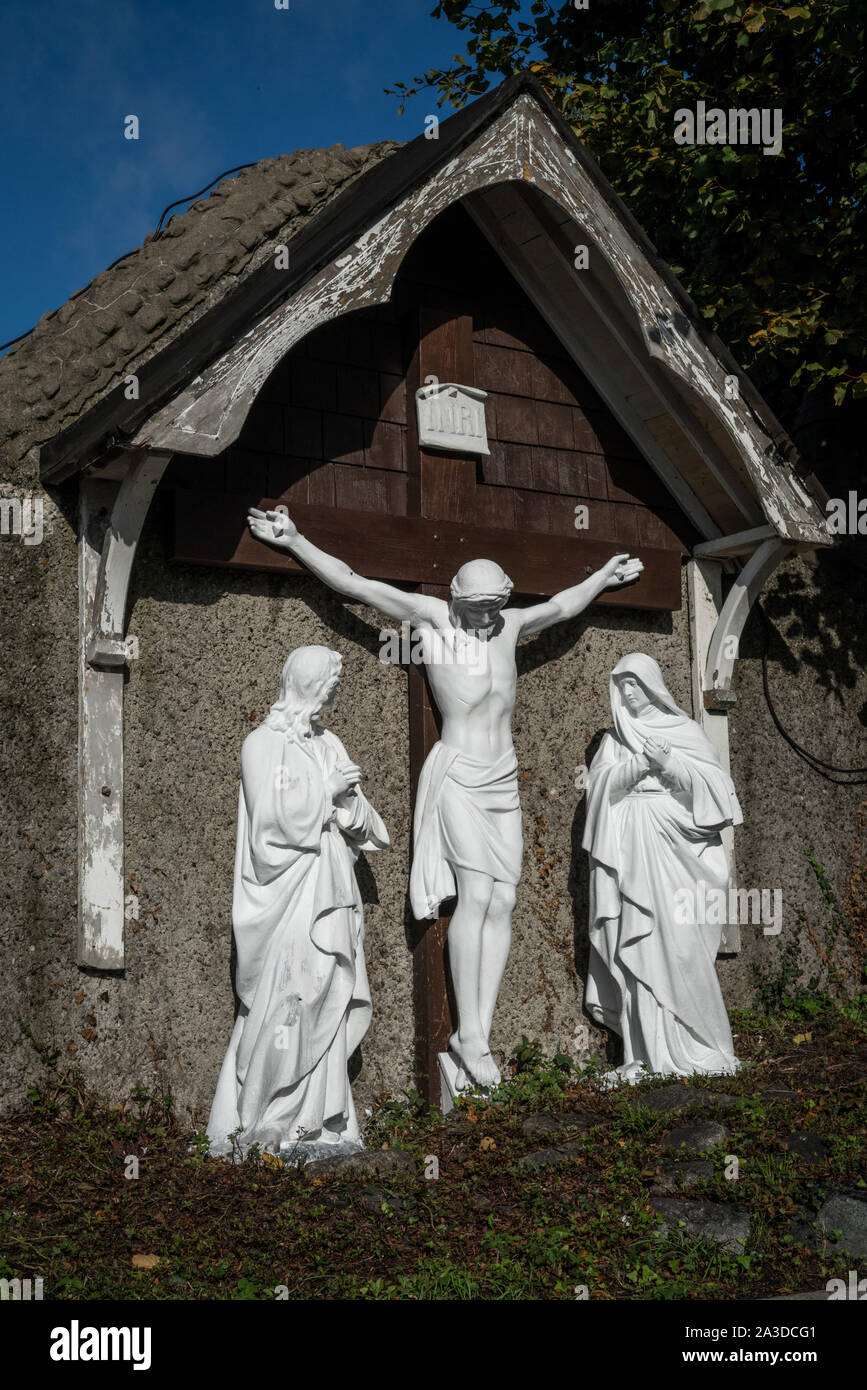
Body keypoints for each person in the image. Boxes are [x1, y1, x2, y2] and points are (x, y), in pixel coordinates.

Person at [247, 505, 642, 1088]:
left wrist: (602, 578)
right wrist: (297, 541)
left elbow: (561, 607)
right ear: (456, 598)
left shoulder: (510, 626)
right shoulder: (432, 621)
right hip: (458, 774)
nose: (486, 620)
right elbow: (356, 584)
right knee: (475, 895)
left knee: (504, 900)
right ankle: (471, 1038)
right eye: (476, 610)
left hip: (502, 774)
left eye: (493, 610)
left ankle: (477, 1029)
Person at [207, 645, 389, 1158]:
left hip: (331, 888)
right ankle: (264, 1117)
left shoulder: (329, 742)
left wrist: (348, 805)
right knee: (292, 999)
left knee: (327, 994)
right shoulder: (261, 744)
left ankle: (320, 1121)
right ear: (306, 682)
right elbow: (268, 824)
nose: (334, 690)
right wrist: (326, 794)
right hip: (290, 896)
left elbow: (365, 823)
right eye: (329, 681)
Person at [583, 652, 742, 1083]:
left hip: (677, 856)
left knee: (682, 946)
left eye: (634, 683)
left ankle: (700, 1044)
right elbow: (598, 791)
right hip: (630, 850)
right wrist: (638, 765)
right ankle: (647, 1054)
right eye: (622, 685)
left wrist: (670, 763)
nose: (628, 692)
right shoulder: (615, 742)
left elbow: (717, 791)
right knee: (637, 946)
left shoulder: (684, 732)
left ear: (652, 685)